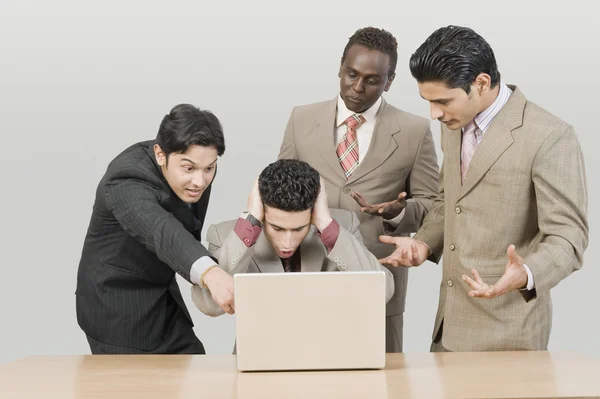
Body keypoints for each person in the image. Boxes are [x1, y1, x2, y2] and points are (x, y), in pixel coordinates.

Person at [380, 25, 588, 352]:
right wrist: (423, 244)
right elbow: (450, 200)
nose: (434, 114)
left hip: (509, 335)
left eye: (443, 101)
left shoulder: (550, 136)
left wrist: (527, 273)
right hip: (447, 330)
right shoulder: (454, 123)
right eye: (428, 101)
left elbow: (569, 237)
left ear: (481, 83)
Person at [278, 27, 439, 352]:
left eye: (371, 79)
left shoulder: (414, 131)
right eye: (351, 74)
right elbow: (278, 195)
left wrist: (399, 213)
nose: (357, 87)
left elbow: (434, 207)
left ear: (389, 81)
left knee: (383, 382)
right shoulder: (301, 119)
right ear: (340, 67)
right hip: (307, 276)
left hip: (379, 283)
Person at [76, 104, 231, 354]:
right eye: (189, 168)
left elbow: (184, 230)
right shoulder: (125, 179)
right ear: (160, 154)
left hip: (163, 299)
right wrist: (211, 274)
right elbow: (162, 230)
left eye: (209, 168)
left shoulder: (197, 165)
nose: (200, 181)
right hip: (117, 308)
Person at [191, 159, 394, 317]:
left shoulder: (342, 227)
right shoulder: (228, 236)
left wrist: (325, 224)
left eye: (299, 229)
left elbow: (381, 292)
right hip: (258, 358)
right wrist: (250, 222)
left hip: (331, 356)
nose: (287, 242)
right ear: (262, 211)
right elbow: (208, 304)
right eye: (277, 228)